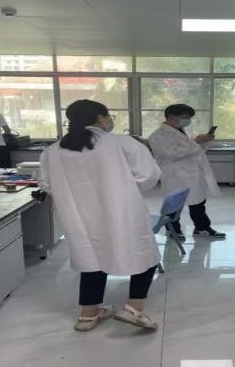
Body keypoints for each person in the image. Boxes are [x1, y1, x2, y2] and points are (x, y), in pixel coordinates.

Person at [38, 99, 162, 332]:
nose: (110, 121)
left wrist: (74, 196)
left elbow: (45, 183)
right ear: (100, 118)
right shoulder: (121, 142)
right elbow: (149, 175)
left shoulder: (53, 151)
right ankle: (134, 309)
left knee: (91, 259)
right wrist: (122, 188)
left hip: (79, 217)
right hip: (121, 212)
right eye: (109, 116)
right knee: (145, 255)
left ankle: (88, 314)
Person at [147, 104, 226, 239]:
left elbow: (196, 150)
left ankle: (202, 228)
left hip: (193, 175)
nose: (187, 121)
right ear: (171, 117)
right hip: (175, 176)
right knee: (174, 206)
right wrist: (195, 143)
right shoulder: (158, 136)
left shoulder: (184, 130)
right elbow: (173, 153)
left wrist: (204, 142)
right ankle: (173, 231)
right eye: (184, 117)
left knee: (198, 204)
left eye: (189, 118)